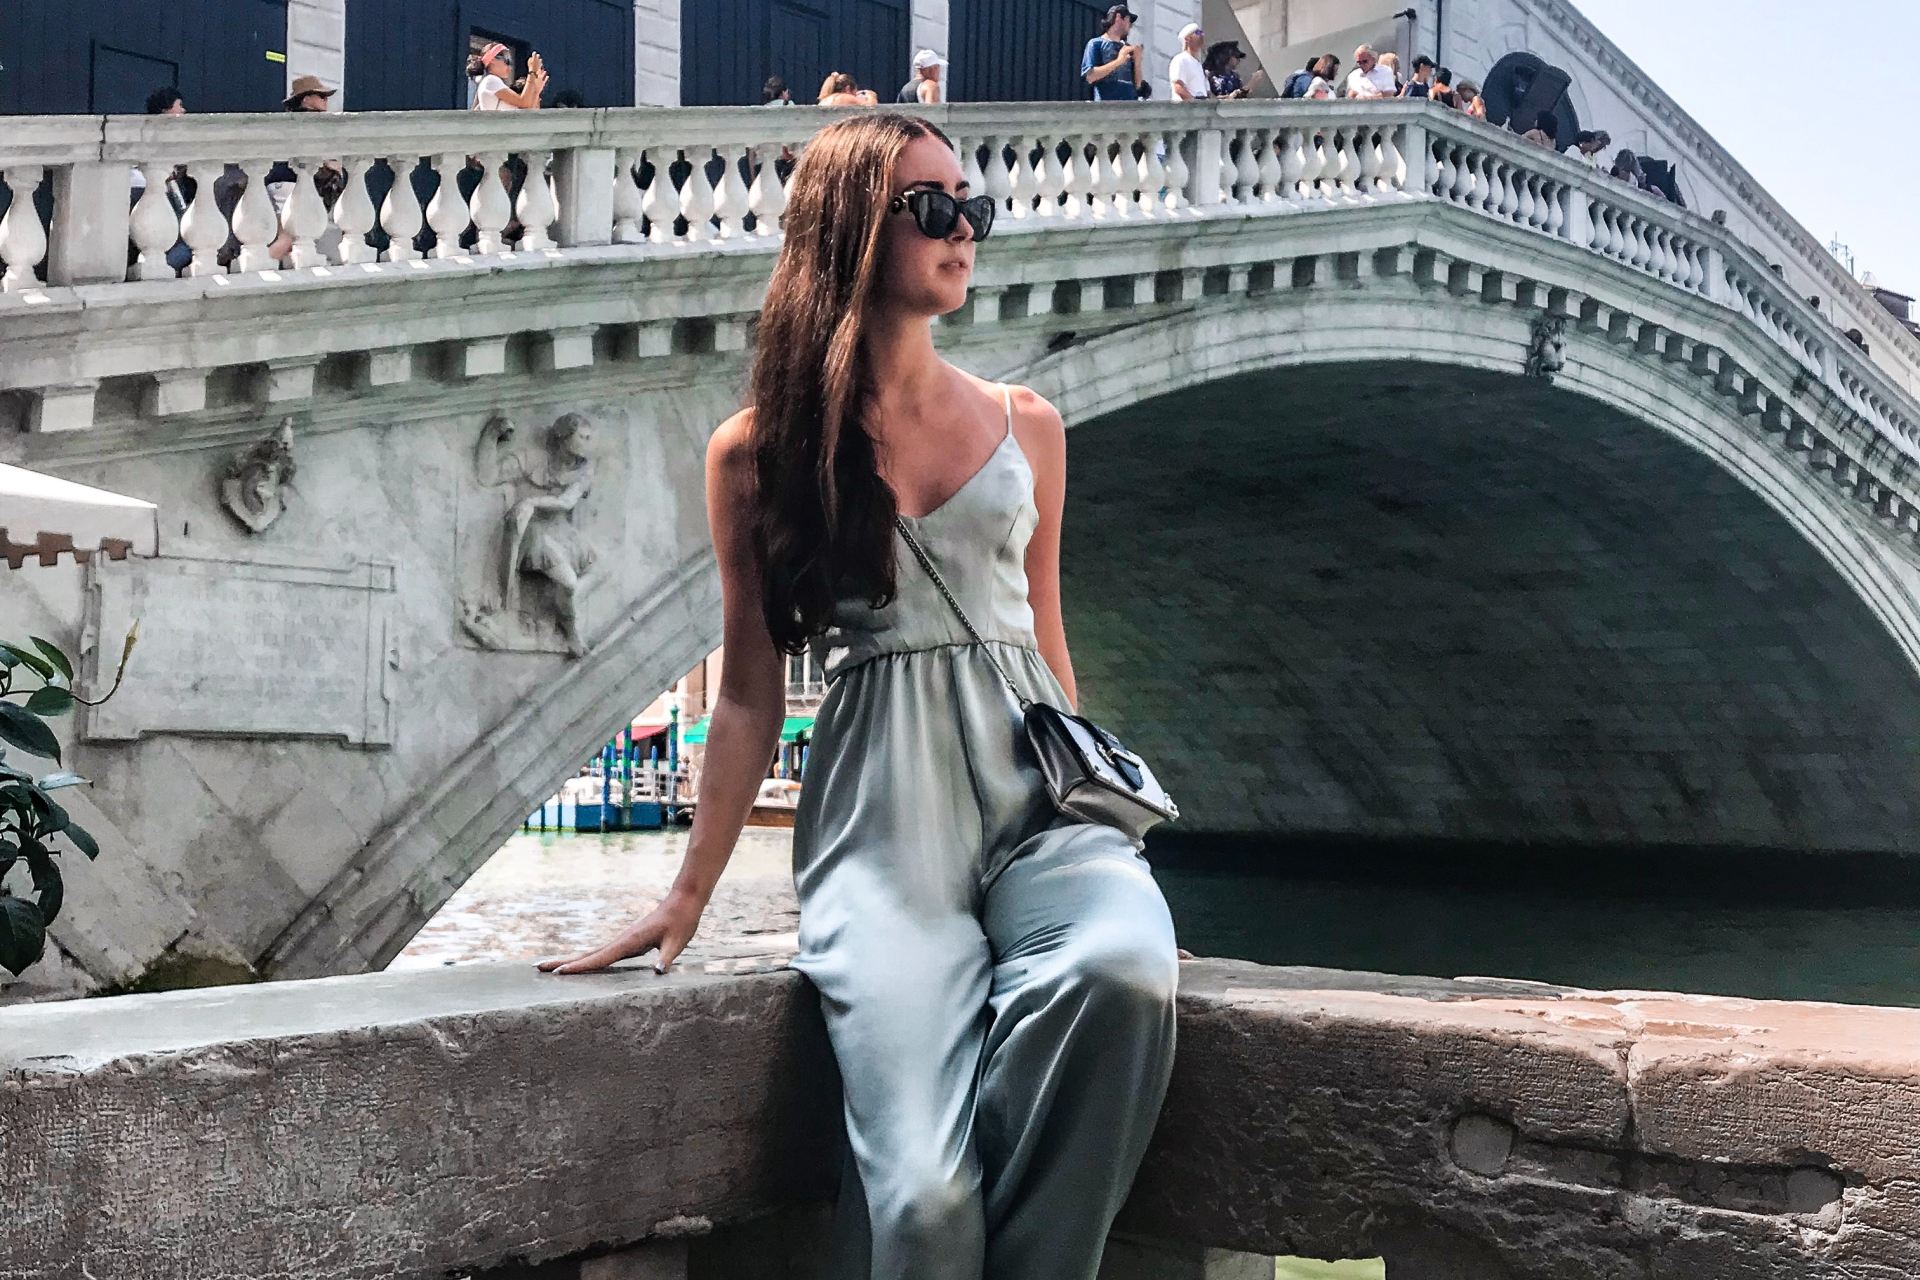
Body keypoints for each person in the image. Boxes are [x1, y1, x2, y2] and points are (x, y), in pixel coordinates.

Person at [539, 111, 1180, 1280]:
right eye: (930, 208)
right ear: (849, 231)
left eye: (969, 207)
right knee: (924, 1201)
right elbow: (744, 691)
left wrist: (1089, 795)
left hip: (1040, 808)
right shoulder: (757, 453)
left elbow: (1043, 634)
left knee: (1123, 969)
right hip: (881, 834)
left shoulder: (1029, 425)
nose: (962, 229)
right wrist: (688, 890)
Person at [1081, 5, 1144, 101]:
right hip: (1106, 108)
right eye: (1128, 20)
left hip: (1129, 109)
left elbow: (1138, 85)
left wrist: (1138, 62)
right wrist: (1119, 61)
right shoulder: (1095, 43)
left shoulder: (1127, 48)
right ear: (1118, 17)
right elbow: (1091, 76)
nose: (1130, 25)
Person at [469, 42, 545, 110]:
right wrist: (532, 71)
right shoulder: (491, 80)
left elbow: (527, 109)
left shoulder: (491, 83)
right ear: (492, 60)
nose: (510, 68)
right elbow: (524, 103)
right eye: (507, 61)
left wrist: (536, 90)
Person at [1169, 22, 1208, 101]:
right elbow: (1178, 87)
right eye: (1198, 33)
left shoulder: (1198, 64)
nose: (1202, 35)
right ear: (1187, 39)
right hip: (1187, 109)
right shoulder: (1180, 59)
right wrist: (1194, 103)